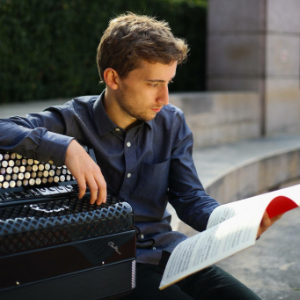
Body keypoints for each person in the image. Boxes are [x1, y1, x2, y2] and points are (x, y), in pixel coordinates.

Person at [0, 13, 281, 300]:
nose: (165, 98)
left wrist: (235, 225)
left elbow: (190, 197)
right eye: (153, 84)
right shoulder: (74, 120)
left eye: (168, 82)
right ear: (113, 78)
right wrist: (65, 147)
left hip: (171, 252)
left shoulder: (172, 122)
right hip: (110, 265)